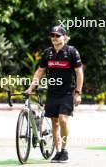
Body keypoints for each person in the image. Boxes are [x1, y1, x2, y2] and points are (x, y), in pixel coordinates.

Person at [26, 25, 84, 163]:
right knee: (55, 123)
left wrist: (78, 92)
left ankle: (64, 150)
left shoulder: (72, 52)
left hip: (67, 92)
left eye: (57, 35)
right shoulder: (48, 53)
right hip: (52, 92)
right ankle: (57, 152)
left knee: (63, 119)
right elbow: (40, 71)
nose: (54, 38)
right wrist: (31, 87)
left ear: (65, 37)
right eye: (52, 35)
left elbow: (79, 73)